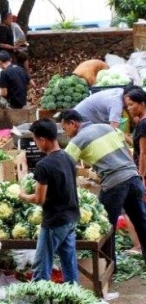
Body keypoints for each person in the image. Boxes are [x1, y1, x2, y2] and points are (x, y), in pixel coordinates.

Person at [61, 109, 146, 265]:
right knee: (142, 222)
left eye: (65, 129)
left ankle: (108, 268)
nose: (66, 134)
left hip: (114, 184)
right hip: (134, 178)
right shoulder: (108, 127)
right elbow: (127, 151)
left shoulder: (77, 140)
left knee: (106, 228)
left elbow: (63, 166)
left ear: (72, 123)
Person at [18, 119, 80, 283]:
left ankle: (39, 297)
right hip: (71, 217)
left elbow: (39, 199)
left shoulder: (43, 165)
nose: (36, 144)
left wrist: (23, 196)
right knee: (69, 263)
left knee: (42, 265)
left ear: (43, 140)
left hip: (55, 220)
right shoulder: (68, 157)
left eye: (35, 140)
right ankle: (74, 295)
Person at [124, 88, 146, 254]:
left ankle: (139, 246)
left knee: (134, 209)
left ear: (142, 104)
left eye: (131, 105)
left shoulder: (143, 124)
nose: (129, 108)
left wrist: (141, 175)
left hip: (143, 172)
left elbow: (144, 152)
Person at [75, 85, 142, 128]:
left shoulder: (122, 92)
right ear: (126, 97)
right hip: (80, 118)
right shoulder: (116, 103)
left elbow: (133, 116)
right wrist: (132, 142)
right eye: (130, 104)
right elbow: (114, 129)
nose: (130, 108)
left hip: (94, 117)